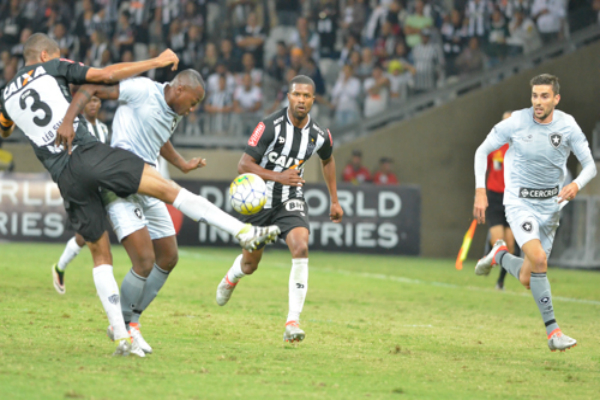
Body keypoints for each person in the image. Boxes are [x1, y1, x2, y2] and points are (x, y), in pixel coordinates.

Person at [0, 33, 280, 357]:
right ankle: (244, 232)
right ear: (47, 53)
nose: (191, 109)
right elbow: (102, 77)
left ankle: (122, 333)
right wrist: (156, 61)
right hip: (92, 155)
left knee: (104, 255)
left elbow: (4, 129)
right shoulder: (53, 68)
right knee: (169, 196)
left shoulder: (6, 95)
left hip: (63, 174)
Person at [215, 75, 343, 343]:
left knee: (301, 247)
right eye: (297, 95)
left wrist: (334, 199)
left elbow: (328, 160)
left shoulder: (320, 135)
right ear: (289, 96)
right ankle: (231, 277)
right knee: (251, 265)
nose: (301, 100)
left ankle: (292, 321)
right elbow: (244, 164)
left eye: (307, 96)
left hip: (290, 199)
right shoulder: (269, 126)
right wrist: (278, 176)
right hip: (258, 201)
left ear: (313, 100)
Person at [473, 74, 596, 352]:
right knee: (539, 260)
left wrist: (576, 184)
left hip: (551, 209)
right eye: (534, 96)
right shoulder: (516, 121)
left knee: (529, 277)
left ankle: (499, 255)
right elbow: (482, 151)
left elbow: (590, 166)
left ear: (556, 98)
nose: (538, 102)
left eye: (544, 96)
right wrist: (480, 190)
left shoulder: (568, 125)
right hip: (519, 203)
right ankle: (554, 333)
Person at [52, 95, 109, 295]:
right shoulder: (74, 126)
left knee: (85, 236)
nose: (93, 104)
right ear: (83, 104)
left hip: (100, 189)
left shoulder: (104, 129)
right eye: (90, 100)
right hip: (80, 187)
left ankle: (60, 268)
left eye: (96, 100)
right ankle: (63, 268)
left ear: (100, 103)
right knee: (88, 236)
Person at [484, 111, 516, 291]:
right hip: (495, 197)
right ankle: (489, 254)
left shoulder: (520, 148)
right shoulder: (493, 146)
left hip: (512, 200)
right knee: (499, 242)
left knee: (510, 245)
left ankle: (500, 282)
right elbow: (483, 169)